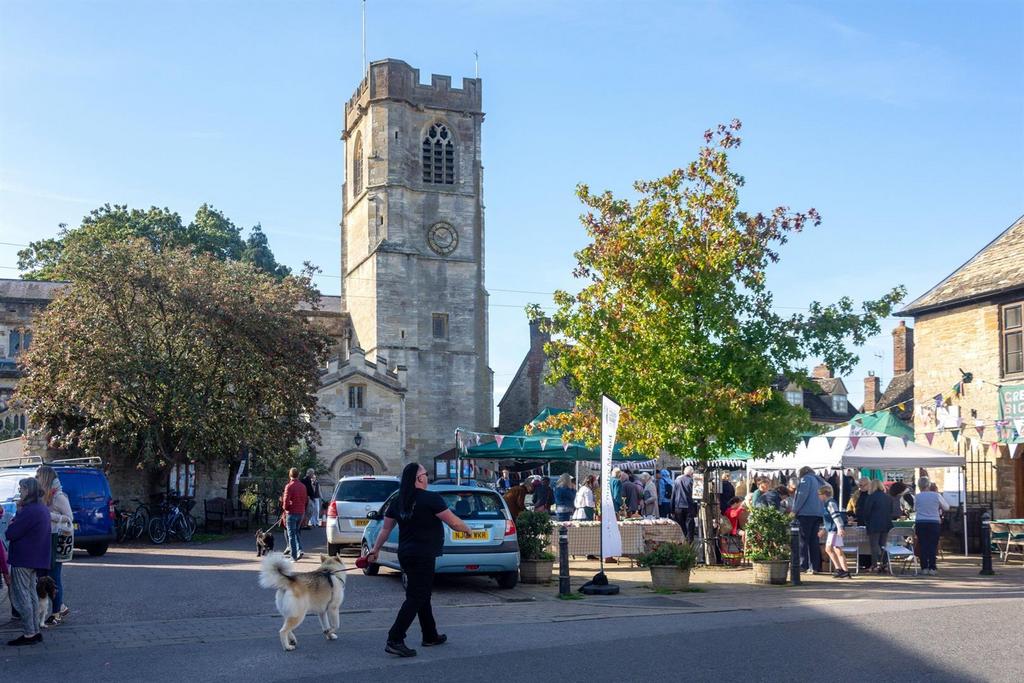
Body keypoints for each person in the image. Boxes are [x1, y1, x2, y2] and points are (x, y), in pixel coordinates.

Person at [364, 463, 471, 657]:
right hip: (423, 555)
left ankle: (430, 635)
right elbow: (454, 522)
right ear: (418, 478)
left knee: (422, 594)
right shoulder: (431, 498)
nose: (427, 477)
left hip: (406, 554)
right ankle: (395, 638)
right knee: (416, 597)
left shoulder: (398, 500)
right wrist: (468, 530)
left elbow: (385, 529)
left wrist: (375, 550)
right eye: (425, 474)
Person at [5, 478, 51, 646]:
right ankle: (34, 631)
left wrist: (16, 516)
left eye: (21, 488)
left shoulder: (30, 510)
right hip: (36, 558)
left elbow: (12, 533)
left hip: (24, 557)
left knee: (22, 596)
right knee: (31, 594)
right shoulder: (41, 508)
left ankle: (29, 633)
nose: (20, 491)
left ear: (28, 490)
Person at [35, 466, 72, 624]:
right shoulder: (44, 496)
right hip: (45, 539)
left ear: (45, 478)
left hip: (56, 540)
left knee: (54, 576)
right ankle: (61, 606)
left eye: (38, 476)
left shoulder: (59, 497)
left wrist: (49, 515)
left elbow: (69, 517)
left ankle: (56, 612)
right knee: (42, 575)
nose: (36, 478)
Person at [792, 466, 825, 574]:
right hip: (817, 514)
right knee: (814, 541)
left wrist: (794, 510)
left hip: (805, 514)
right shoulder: (819, 481)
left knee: (803, 541)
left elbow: (802, 496)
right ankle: (814, 566)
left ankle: (803, 565)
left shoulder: (806, 479)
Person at [913, 476, 949, 575]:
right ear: (928, 485)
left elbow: (914, 508)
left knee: (923, 544)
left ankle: (924, 567)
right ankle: (932, 567)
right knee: (933, 545)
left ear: (919, 486)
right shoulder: (936, 495)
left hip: (921, 522)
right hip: (934, 522)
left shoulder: (917, 496)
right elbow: (946, 507)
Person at [860, 479, 893, 572]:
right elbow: (891, 512)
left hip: (874, 524)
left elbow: (866, 512)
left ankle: (874, 565)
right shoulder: (888, 497)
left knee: (874, 546)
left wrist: (867, 522)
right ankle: (884, 564)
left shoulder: (871, 497)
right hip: (886, 524)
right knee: (883, 546)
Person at [819, 484, 850, 578]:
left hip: (834, 530)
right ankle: (841, 570)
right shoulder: (828, 503)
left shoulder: (830, 503)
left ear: (824, 494)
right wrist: (824, 529)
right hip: (832, 529)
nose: (818, 497)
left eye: (819, 494)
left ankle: (843, 570)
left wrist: (840, 528)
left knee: (833, 549)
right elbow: (830, 519)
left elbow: (836, 516)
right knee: (834, 549)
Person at [281, 467, 308, 561]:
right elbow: (305, 500)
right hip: (301, 512)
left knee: (291, 534)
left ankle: (293, 556)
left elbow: (285, 501)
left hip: (291, 512)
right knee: (296, 532)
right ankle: (300, 550)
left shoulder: (289, 486)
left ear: (290, 475)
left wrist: (285, 508)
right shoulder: (303, 486)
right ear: (298, 475)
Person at [672, 467, 695, 542]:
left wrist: (671, 509)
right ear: (691, 473)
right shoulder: (692, 481)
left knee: (680, 525)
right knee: (689, 526)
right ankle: (689, 542)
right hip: (688, 505)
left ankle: (681, 541)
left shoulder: (677, 481)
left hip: (678, 506)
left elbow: (673, 495)